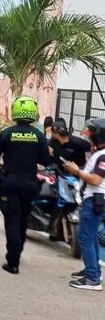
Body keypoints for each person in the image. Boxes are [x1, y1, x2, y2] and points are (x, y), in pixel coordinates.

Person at [0, 96, 50, 275]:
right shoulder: (39, 135)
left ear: (16, 111)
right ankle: (17, 255)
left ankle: (13, 261)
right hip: (29, 184)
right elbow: (45, 160)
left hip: (10, 183)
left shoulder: (7, 133)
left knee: (12, 221)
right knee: (23, 221)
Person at [64, 118, 105, 291]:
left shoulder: (102, 156)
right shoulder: (98, 153)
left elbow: (95, 180)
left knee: (85, 237)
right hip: (93, 200)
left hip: (95, 200)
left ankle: (93, 278)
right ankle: (93, 269)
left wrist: (76, 171)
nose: (88, 136)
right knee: (92, 235)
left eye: (91, 133)